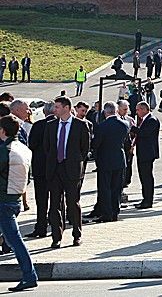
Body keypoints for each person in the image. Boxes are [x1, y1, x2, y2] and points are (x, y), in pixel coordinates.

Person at [44, 96, 90, 248]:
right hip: (55, 168)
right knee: (55, 203)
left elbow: (85, 149)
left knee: (73, 203)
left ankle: (77, 234)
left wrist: (75, 162)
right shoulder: (51, 125)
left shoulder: (80, 125)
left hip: (72, 169)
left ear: (66, 108)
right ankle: (56, 237)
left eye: (57, 107)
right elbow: (47, 147)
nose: (54, 109)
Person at [0, 114, 37, 292]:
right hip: (15, 200)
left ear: (2, 130)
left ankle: (29, 275)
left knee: (15, 241)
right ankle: (30, 275)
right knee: (14, 240)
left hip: (3, 201)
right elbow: (27, 178)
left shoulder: (4, 149)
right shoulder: (23, 148)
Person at [89, 102, 128, 223]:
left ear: (105, 112)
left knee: (105, 188)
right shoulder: (124, 125)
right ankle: (115, 212)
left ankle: (107, 213)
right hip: (119, 159)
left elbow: (96, 144)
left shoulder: (102, 126)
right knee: (116, 188)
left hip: (105, 160)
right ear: (116, 111)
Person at [25, 103, 54, 239]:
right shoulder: (60, 125)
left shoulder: (39, 125)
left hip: (40, 167)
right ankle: (56, 227)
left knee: (41, 199)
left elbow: (32, 145)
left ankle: (41, 227)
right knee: (57, 199)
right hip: (56, 168)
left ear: (44, 111)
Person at [131, 102, 160, 209]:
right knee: (143, 177)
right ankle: (145, 198)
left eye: (138, 110)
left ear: (144, 109)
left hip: (147, 153)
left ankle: (148, 200)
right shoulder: (145, 120)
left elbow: (144, 133)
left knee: (147, 177)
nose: (137, 112)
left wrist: (132, 127)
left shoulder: (151, 120)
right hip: (143, 153)